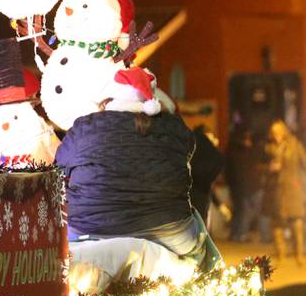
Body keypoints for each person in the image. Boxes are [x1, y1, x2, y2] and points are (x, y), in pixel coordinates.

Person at [55, 108, 219, 269]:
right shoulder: (175, 128)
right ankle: (206, 274)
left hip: (89, 229)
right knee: (196, 232)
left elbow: (59, 168)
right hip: (172, 232)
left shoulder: (85, 129)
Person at [263, 119, 306, 264]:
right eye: (274, 133)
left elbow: (304, 163)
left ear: (284, 132)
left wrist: (300, 181)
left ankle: (299, 254)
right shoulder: (269, 148)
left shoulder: (295, 145)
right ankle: (281, 254)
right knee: (277, 224)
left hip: (293, 189)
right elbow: (259, 167)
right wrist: (269, 168)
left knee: (297, 223)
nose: (276, 136)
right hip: (276, 190)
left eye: (279, 132)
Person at [225, 127, 268, 242]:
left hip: (243, 187)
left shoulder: (233, 152)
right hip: (251, 186)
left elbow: (230, 173)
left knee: (243, 212)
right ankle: (263, 236)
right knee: (256, 212)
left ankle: (239, 235)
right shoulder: (251, 151)